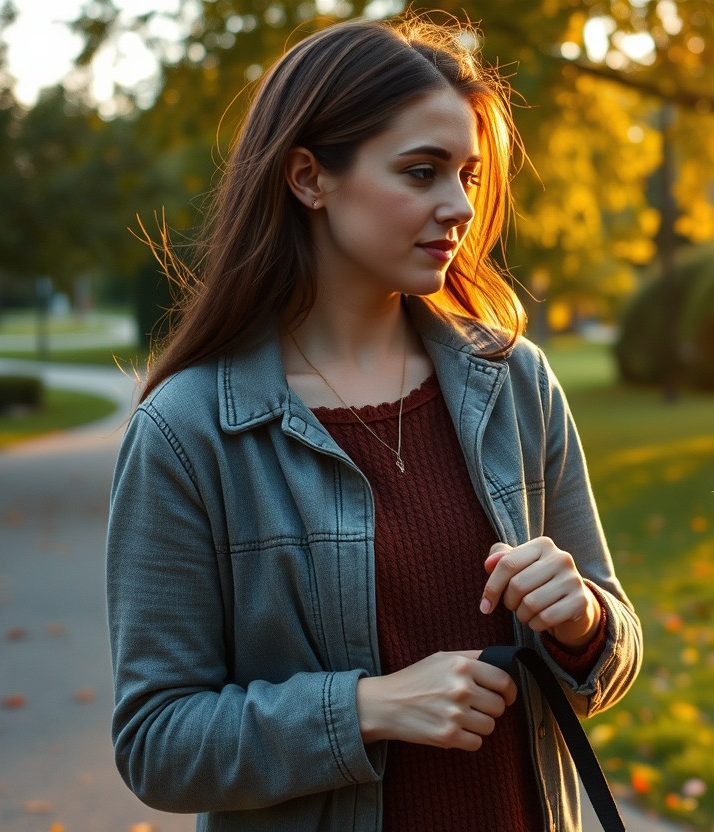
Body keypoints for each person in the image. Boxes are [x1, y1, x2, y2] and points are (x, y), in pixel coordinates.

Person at [105, 16, 642, 831]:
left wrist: (584, 619)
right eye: (421, 172)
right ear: (309, 178)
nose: (459, 206)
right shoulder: (188, 432)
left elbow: (607, 659)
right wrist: (365, 708)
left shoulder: (515, 382)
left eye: (465, 173)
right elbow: (157, 742)